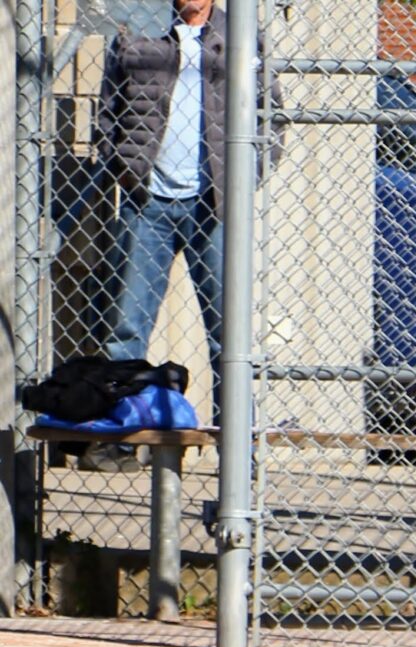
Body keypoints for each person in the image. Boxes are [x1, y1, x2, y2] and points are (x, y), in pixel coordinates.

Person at [85, 0, 278, 472]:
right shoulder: (138, 32)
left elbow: (271, 116)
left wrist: (242, 178)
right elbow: (107, 110)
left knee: (227, 335)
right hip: (145, 203)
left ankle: (240, 452)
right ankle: (117, 439)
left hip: (213, 204)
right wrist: (124, 169)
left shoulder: (242, 35)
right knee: (127, 326)